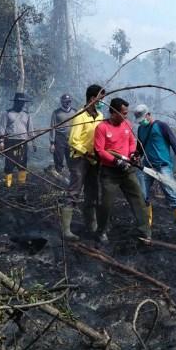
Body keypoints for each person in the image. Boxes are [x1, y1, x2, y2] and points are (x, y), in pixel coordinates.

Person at [94, 97, 151, 242]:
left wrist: (132, 154)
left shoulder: (127, 124)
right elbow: (100, 151)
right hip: (109, 173)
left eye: (126, 113)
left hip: (127, 171)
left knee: (138, 199)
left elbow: (132, 142)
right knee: (105, 204)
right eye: (123, 113)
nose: (126, 116)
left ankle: (144, 232)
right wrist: (116, 161)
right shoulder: (102, 128)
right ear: (113, 112)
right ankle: (101, 232)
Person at [133, 104, 176, 234]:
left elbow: (175, 144)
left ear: (148, 114)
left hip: (163, 167)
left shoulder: (162, 126)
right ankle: (148, 224)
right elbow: (139, 148)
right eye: (140, 120)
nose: (142, 121)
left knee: (172, 195)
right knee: (143, 195)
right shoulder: (141, 129)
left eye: (143, 118)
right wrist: (135, 156)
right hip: (147, 167)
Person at [60, 85, 106, 241]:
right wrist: (86, 153)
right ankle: (66, 230)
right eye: (100, 99)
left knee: (92, 193)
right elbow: (73, 140)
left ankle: (91, 226)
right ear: (92, 99)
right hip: (79, 158)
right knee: (74, 191)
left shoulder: (100, 115)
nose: (102, 102)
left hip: (94, 159)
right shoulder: (79, 116)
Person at [0, 92, 36, 187]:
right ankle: (8, 184)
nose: (21, 104)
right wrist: (1, 142)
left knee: (22, 163)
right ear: (15, 102)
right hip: (10, 141)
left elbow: (30, 130)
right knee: (9, 164)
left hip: (23, 141)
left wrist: (33, 142)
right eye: (19, 102)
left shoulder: (27, 115)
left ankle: (21, 184)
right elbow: (2, 128)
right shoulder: (7, 113)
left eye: (23, 102)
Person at [50, 93, 77, 174]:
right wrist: (52, 143)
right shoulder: (56, 113)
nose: (68, 103)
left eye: (69, 101)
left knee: (72, 161)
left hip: (71, 140)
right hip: (59, 140)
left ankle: (71, 180)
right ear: (62, 102)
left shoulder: (75, 112)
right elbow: (52, 128)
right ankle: (58, 177)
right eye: (66, 101)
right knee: (58, 160)